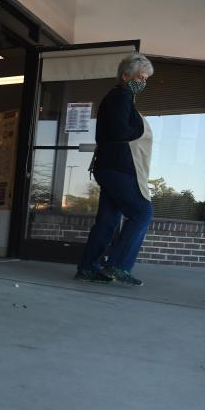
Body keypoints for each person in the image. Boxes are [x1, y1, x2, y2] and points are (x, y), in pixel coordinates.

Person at [75, 53, 155, 287]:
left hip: (108, 167)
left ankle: (87, 267)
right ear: (125, 76)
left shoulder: (119, 97)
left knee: (108, 221)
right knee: (142, 212)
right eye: (141, 77)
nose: (144, 82)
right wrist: (140, 131)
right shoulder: (121, 97)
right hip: (119, 168)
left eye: (146, 79)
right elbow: (121, 132)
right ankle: (118, 264)